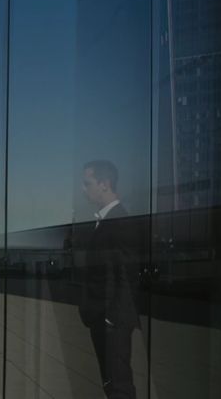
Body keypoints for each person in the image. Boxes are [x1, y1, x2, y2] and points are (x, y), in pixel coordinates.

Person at [78, 160, 141, 399]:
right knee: (111, 384)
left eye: (88, 183)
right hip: (103, 319)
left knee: (119, 386)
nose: (84, 189)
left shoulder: (120, 220)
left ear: (104, 184)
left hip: (112, 323)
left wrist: (111, 319)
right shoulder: (105, 220)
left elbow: (128, 275)